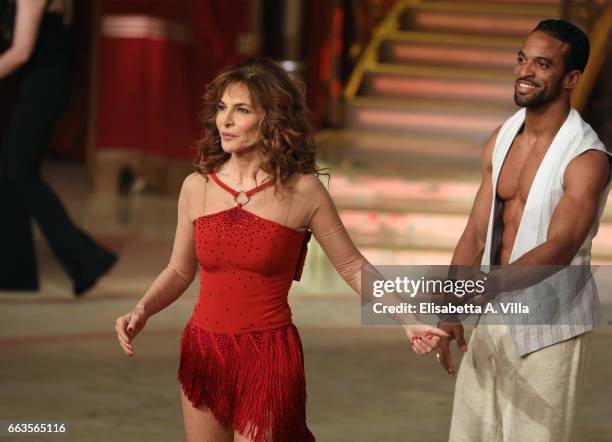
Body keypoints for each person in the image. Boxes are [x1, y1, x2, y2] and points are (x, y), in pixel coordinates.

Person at [115, 58, 447, 442]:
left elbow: (353, 266)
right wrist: (142, 309)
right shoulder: (196, 187)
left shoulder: (303, 191)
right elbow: (178, 270)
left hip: (268, 357)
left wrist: (407, 319)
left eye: (241, 110)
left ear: (271, 118)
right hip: (203, 350)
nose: (225, 120)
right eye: (222, 108)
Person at [435, 19, 611, 441]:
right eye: (522, 59)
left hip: (552, 322)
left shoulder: (588, 157)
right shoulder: (501, 138)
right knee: (470, 434)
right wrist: (451, 304)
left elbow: (561, 246)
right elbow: (476, 232)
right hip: (495, 308)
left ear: (571, 78)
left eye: (542, 64)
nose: (525, 72)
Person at [0, 0, 116, 295]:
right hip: (40, 86)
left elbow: (21, 52)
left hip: (45, 88)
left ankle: (86, 259)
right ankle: (16, 275)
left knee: (20, 173)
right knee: (10, 173)